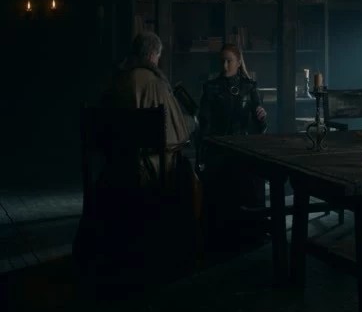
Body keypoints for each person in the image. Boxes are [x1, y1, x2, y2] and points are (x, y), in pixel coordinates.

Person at [73, 31, 201, 289]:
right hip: (150, 172)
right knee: (188, 174)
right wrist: (193, 121)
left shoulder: (116, 81)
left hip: (115, 169)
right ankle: (178, 253)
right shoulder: (154, 83)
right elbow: (175, 134)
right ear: (153, 55)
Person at [197, 43, 269, 249]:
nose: (225, 65)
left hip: (245, 148)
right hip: (219, 148)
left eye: (229, 61)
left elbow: (260, 126)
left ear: (238, 62)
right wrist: (206, 150)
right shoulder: (211, 87)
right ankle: (222, 237)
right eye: (222, 61)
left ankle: (252, 233)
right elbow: (205, 123)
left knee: (251, 177)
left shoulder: (250, 86)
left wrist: (262, 118)